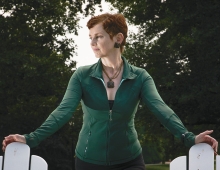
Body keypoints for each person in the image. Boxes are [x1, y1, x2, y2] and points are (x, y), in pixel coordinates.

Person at [2, 13, 218, 170]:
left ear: (118, 38)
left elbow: (161, 110)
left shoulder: (140, 77)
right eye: (90, 37)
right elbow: (63, 112)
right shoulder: (81, 76)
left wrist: (189, 138)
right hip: (87, 161)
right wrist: (30, 138)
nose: (92, 42)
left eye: (99, 36)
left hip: (129, 160)